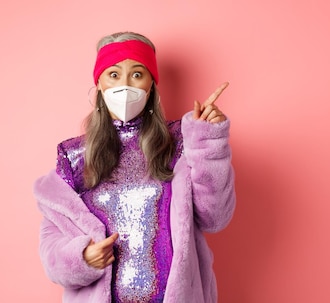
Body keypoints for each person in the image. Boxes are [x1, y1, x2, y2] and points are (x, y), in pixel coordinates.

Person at [33, 31, 236, 303]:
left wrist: (208, 141)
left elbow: (214, 218)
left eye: (137, 74)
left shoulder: (181, 143)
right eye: (114, 74)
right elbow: (51, 244)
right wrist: (81, 258)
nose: (125, 85)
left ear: (151, 85)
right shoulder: (73, 157)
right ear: (100, 84)